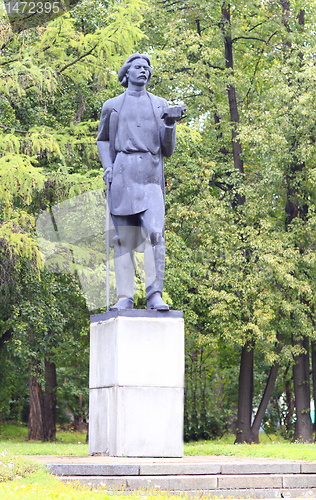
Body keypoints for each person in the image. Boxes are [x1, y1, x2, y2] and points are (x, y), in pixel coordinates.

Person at [97, 53, 185, 310]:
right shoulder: (112, 105)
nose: (143, 71)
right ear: (126, 74)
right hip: (123, 174)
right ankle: (125, 296)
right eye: (137, 67)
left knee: (154, 233)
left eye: (147, 68)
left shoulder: (160, 105)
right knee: (124, 238)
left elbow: (167, 149)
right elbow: (102, 139)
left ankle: (154, 294)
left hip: (150, 175)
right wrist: (108, 167)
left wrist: (169, 123)